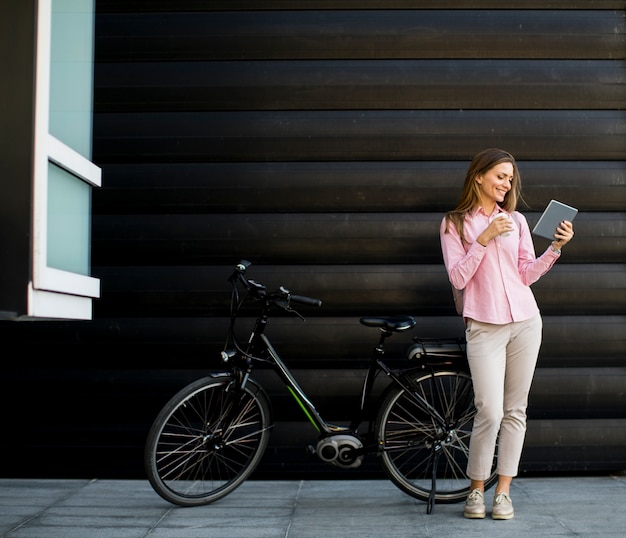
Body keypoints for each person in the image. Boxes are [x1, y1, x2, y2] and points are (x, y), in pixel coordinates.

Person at [439, 148, 574, 520]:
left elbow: (525, 274)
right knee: (489, 410)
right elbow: (457, 278)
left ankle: (502, 492)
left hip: (526, 322)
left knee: (516, 410)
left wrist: (555, 249)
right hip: (483, 325)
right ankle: (476, 490)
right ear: (479, 176)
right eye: (500, 175)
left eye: (510, 178)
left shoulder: (514, 219)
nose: (507, 183)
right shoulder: (454, 223)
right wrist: (483, 238)